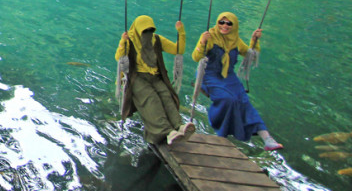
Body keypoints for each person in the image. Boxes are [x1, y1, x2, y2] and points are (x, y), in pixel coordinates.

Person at [193, 12, 282, 150]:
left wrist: (254, 41)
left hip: (228, 76)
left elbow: (250, 56)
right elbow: (196, 57)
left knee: (243, 101)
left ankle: (267, 139)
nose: (225, 26)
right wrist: (202, 42)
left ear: (234, 26)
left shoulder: (236, 40)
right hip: (209, 75)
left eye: (229, 23)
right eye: (221, 22)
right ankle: (221, 132)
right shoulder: (210, 36)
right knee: (228, 99)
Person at [116, 15, 194, 146]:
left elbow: (178, 50)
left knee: (166, 96)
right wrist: (122, 43)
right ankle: (167, 132)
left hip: (155, 76)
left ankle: (178, 125)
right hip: (138, 77)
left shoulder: (156, 40)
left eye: (150, 30)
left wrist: (181, 32)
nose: (148, 34)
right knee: (152, 100)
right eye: (144, 31)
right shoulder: (130, 40)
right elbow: (119, 57)